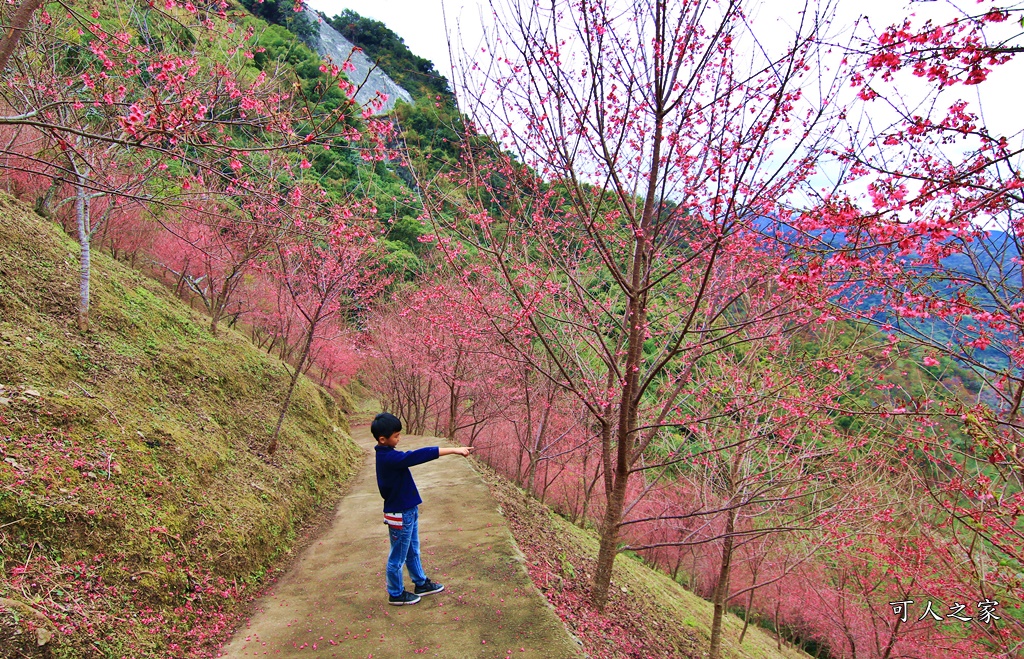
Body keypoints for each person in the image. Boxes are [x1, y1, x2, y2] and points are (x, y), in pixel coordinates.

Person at [371, 412, 474, 605]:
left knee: (412, 550)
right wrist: (453, 450)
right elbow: (419, 455)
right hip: (400, 514)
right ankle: (395, 593)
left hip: (408, 510)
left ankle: (420, 583)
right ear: (382, 439)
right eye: (396, 436)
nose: (399, 439)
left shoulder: (388, 454)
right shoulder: (389, 459)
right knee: (397, 556)